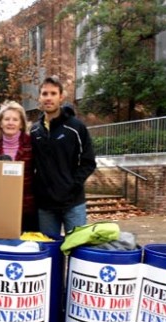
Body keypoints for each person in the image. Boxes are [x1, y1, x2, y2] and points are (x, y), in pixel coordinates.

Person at [30, 76, 97, 236]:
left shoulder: (76, 127)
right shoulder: (34, 131)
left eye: (53, 93)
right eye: (45, 94)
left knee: (77, 251)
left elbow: (88, 162)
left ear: (61, 97)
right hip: (45, 206)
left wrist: (72, 185)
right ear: (39, 97)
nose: (48, 98)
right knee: (49, 253)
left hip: (73, 204)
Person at [0, 100, 38, 232]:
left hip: (26, 206)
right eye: (6, 119)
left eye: (15, 119)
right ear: (0, 123)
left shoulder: (32, 143)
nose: (10, 123)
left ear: (21, 123)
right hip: (0, 206)